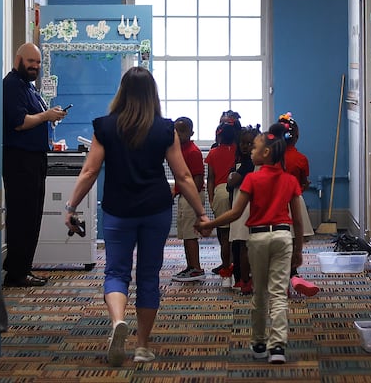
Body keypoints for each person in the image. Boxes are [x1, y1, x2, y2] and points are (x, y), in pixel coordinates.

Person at [63, 67, 208, 366]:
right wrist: (201, 213)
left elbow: (90, 171)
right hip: (155, 210)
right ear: (152, 94)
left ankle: (118, 322)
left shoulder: (105, 126)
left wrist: (71, 207)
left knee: (116, 272)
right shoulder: (165, 129)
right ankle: (142, 346)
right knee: (148, 276)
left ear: (123, 92)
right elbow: (182, 175)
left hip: (118, 210)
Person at [196, 123, 304, 364]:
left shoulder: (252, 180)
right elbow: (297, 221)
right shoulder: (289, 181)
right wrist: (298, 251)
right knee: (278, 294)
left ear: (266, 153)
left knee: (260, 293)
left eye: (255, 147)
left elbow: (235, 214)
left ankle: (258, 343)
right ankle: (278, 347)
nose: (251, 151)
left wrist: (209, 225)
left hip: (258, 238)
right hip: (283, 238)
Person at [2, 43, 67, 287]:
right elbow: (19, 122)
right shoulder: (11, 86)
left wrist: (50, 115)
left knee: (31, 216)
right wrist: (46, 116)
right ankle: (17, 273)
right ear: (18, 59)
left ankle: (22, 268)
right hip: (20, 160)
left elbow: (35, 117)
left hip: (34, 158)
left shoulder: (28, 87)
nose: (35, 66)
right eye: (31, 61)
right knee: (22, 216)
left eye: (38, 63)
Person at [278, 112, 317, 295]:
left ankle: (282, 280)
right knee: (294, 239)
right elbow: (302, 183)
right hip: (295, 201)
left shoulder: (271, 157)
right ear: (297, 137)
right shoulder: (301, 159)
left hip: (275, 202)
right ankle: (293, 274)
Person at [171, 116, 207, 282]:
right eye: (177, 130)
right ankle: (191, 266)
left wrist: (189, 196)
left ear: (191, 132)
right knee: (186, 234)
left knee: (191, 234)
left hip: (191, 198)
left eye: (183, 130)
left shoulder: (193, 152)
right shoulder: (178, 150)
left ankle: (197, 268)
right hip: (184, 196)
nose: (180, 134)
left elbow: (198, 179)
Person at [226, 124, 261, 295]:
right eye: (243, 143)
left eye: (250, 144)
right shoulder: (248, 162)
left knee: (244, 246)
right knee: (245, 246)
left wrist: (231, 177)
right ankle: (245, 278)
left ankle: (245, 280)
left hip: (244, 209)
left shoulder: (248, 164)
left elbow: (231, 183)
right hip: (245, 207)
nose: (246, 147)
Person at [205, 116, 239, 285]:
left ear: (218, 136)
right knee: (238, 234)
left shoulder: (212, 153)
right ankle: (238, 267)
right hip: (237, 192)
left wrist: (211, 198)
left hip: (219, 192)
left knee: (224, 235)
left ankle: (226, 267)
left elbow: (210, 178)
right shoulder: (239, 151)